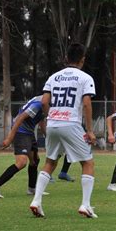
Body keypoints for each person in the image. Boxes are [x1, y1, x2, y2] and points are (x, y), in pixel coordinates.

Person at [29, 43, 97, 218]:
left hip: (52, 122)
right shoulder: (85, 78)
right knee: (87, 163)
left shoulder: (53, 77)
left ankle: (36, 200)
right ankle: (85, 205)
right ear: (82, 60)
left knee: (50, 162)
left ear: (66, 59)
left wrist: (49, 117)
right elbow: (87, 103)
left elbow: (44, 102)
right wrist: (89, 130)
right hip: (71, 123)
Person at [0, 95, 48, 198]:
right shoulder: (38, 104)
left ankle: (32, 189)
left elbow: (42, 123)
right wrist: (9, 138)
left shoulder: (48, 102)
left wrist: (48, 138)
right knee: (21, 162)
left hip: (29, 132)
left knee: (34, 160)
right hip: (21, 131)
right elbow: (20, 118)